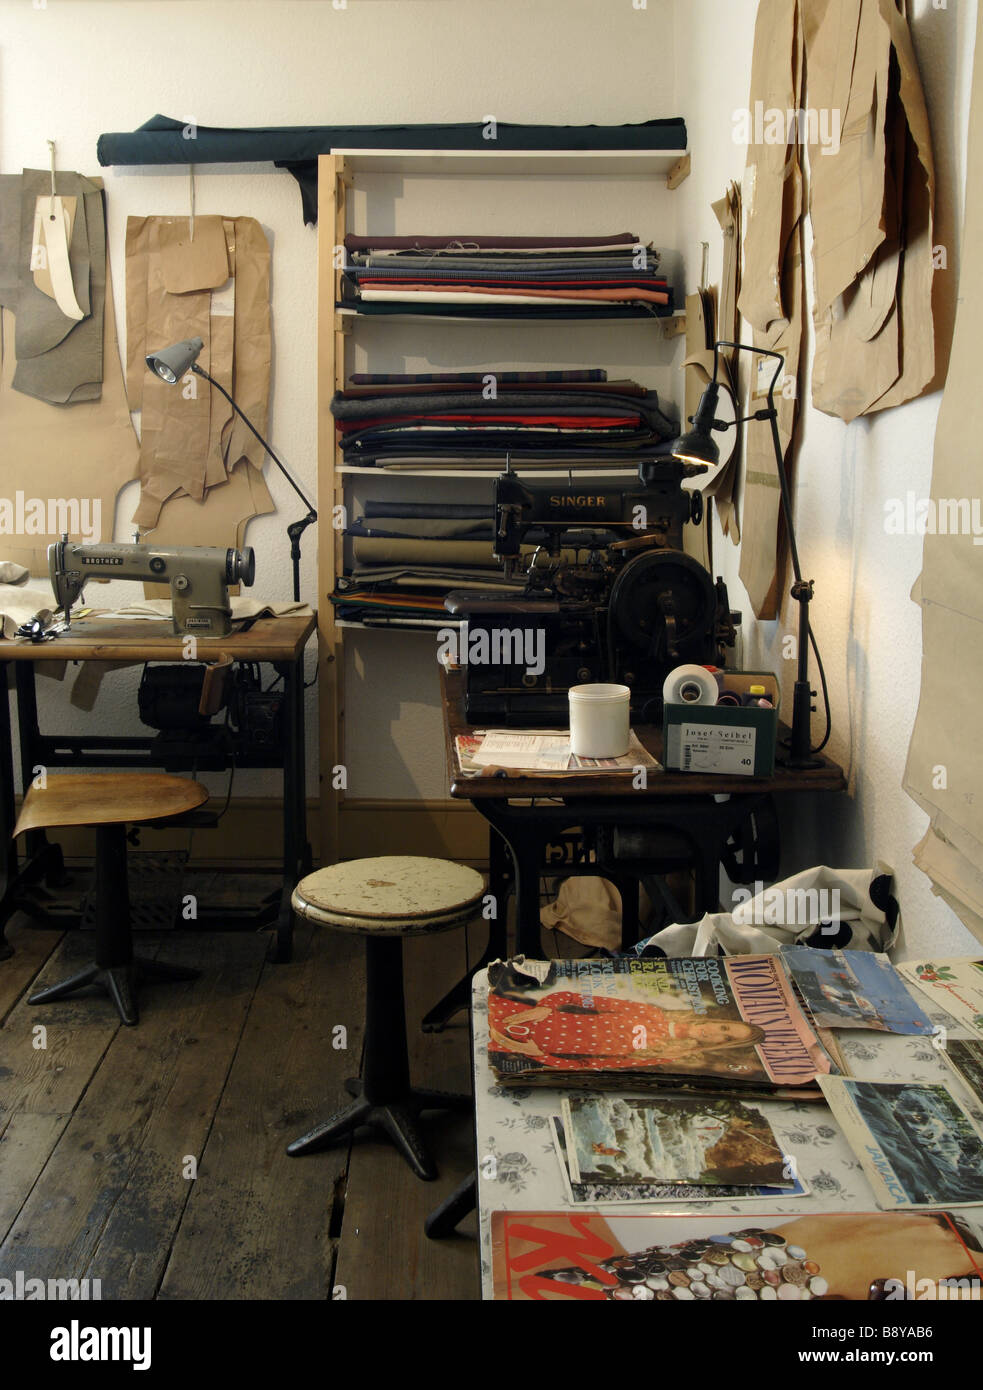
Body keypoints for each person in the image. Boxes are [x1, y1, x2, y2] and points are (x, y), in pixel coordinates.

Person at [488, 986, 766, 1070]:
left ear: (720, 1046)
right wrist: (546, 1006)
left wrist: (538, 1054)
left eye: (725, 1038)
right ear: (716, 1021)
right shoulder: (649, 1012)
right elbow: (578, 998)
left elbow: (587, 1065)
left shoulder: (666, 1056)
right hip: (528, 1016)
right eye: (724, 1027)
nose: (717, 1033)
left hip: (531, 1048)